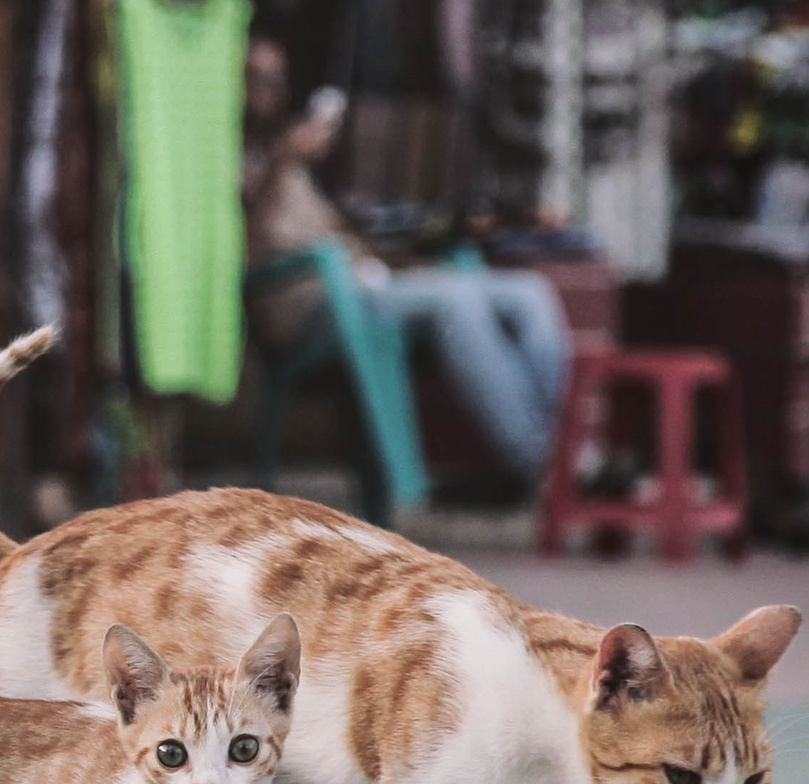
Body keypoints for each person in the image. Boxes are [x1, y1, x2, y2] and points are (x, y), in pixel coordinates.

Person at [241, 38, 572, 495]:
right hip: (310, 310)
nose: (269, 90)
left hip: (365, 286)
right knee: (454, 300)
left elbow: (341, 235)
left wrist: (397, 252)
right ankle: (539, 461)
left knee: (528, 292)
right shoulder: (232, 156)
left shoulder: (293, 162)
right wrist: (284, 156)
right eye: (256, 78)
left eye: (277, 79)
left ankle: (567, 449)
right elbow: (248, 221)